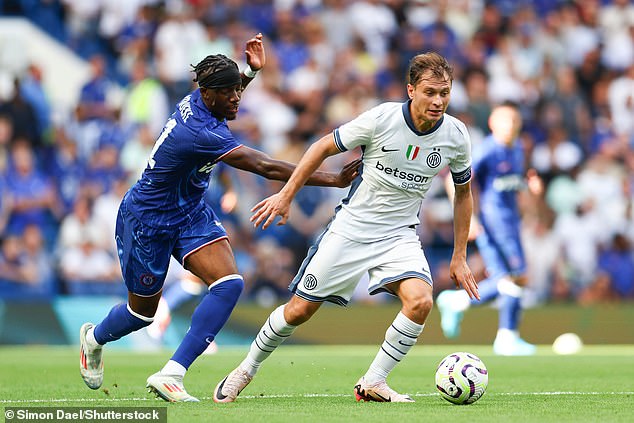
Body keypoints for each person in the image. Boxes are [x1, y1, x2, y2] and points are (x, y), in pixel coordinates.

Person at [78, 33, 361, 402]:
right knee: (140, 314)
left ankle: (172, 373)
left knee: (229, 283)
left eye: (238, 91)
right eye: (229, 93)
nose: (236, 98)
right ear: (209, 94)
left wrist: (249, 72)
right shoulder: (200, 132)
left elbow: (227, 88)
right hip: (146, 219)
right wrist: (332, 178)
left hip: (189, 212)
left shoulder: (206, 100)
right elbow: (265, 165)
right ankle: (93, 339)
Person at [212, 51, 479, 404]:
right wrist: (286, 195)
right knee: (298, 311)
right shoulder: (382, 119)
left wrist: (459, 256)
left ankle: (374, 381)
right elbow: (321, 147)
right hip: (351, 228)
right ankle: (245, 369)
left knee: (420, 301)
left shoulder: (456, 136)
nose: (438, 101)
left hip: (399, 235)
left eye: (445, 93)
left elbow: (463, 194)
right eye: (430, 92)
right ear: (411, 89)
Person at [437, 102, 538, 356]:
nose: (511, 126)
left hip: (510, 221)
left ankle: (457, 302)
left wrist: (530, 188)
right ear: (493, 123)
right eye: (505, 121)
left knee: (509, 278)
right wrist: (468, 219)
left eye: (515, 121)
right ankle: (506, 338)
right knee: (517, 276)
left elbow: (510, 184)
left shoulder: (517, 149)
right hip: (493, 223)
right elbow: (454, 179)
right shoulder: (487, 150)